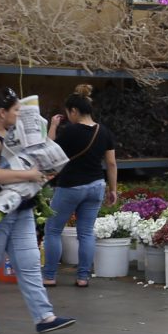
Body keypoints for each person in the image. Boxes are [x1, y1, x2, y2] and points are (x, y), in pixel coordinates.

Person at [0, 87, 74, 334]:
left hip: (21, 207)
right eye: (15, 109)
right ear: (2, 112)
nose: (19, 113)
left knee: (30, 263)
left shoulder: (14, 133)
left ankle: (45, 317)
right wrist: (28, 175)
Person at [41, 86, 117, 288]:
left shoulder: (70, 131)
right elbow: (111, 163)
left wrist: (53, 126)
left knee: (53, 230)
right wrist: (113, 189)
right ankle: (83, 277)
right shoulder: (105, 131)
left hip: (70, 187)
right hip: (96, 186)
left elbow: (49, 152)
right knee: (85, 233)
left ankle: (49, 276)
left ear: (73, 111)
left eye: (68, 112)